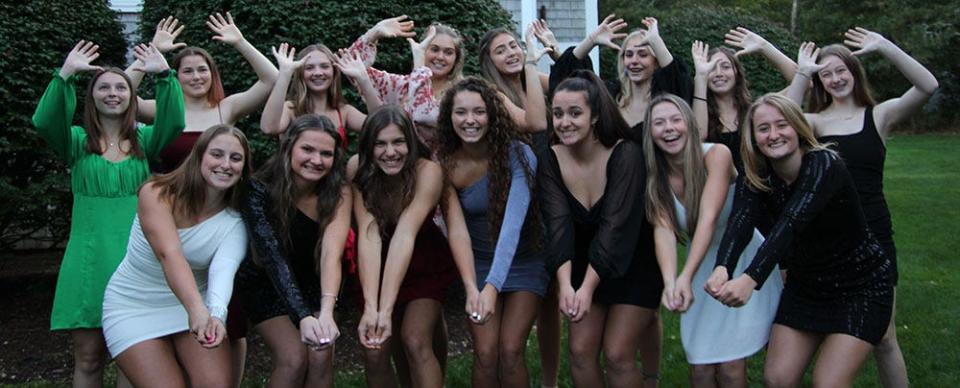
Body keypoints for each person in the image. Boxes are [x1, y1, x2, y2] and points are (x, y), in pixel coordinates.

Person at [706, 93, 894, 387]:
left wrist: (750, 279)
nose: (774, 135)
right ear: (754, 137)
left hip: (861, 287)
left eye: (782, 125)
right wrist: (723, 267)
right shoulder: (757, 173)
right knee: (777, 378)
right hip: (806, 287)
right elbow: (740, 221)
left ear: (797, 127)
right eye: (764, 128)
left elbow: (790, 223)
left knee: (828, 383)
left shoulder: (824, 165)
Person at [784, 29, 938, 387]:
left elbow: (927, 86)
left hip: (874, 234)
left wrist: (884, 45)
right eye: (827, 73)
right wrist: (803, 73)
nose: (836, 79)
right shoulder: (815, 123)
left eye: (842, 71)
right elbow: (784, 119)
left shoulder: (879, 116)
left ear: (854, 73)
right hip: (825, 238)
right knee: (827, 330)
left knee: (884, 338)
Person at [32, 40, 184, 387]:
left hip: (136, 260)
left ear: (132, 96)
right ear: (92, 97)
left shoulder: (146, 141)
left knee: (134, 358)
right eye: (104, 87)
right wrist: (65, 74)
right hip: (88, 260)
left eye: (121, 87)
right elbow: (44, 122)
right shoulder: (75, 142)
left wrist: (164, 75)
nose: (113, 93)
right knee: (88, 358)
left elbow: (174, 121)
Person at [642, 94, 782, 387]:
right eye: (659, 123)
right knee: (701, 368)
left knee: (731, 367)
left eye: (675, 119)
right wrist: (671, 281)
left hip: (740, 259)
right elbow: (663, 230)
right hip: (702, 264)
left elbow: (708, 218)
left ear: (689, 124)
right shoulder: (656, 176)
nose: (669, 128)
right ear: (649, 133)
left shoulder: (716, 155)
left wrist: (686, 275)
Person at [101, 124, 251, 388]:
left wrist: (215, 315)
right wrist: (197, 311)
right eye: (217, 154)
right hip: (135, 305)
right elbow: (169, 254)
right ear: (199, 157)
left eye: (235, 158)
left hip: (197, 306)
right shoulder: (157, 192)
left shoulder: (235, 221)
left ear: (243, 170)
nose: (225, 164)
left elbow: (224, 269)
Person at [539, 70, 663, 388]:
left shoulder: (626, 154)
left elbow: (615, 228)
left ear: (595, 116)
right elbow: (558, 224)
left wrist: (587, 288)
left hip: (633, 264)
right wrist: (566, 285)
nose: (564, 121)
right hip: (581, 263)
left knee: (618, 354)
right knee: (579, 351)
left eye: (575, 113)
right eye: (558, 113)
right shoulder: (551, 158)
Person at [436, 77, 550, 387]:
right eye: (461, 112)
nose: (469, 120)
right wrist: (473, 287)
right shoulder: (445, 164)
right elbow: (456, 230)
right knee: (486, 352)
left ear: (493, 115)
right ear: (449, 116)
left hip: (525, 261)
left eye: (479, 112)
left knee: (511, 350)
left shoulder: (519, 155)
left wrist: (492, 287)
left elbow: (512, 226)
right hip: (478, 265)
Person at [233, 115, 352, 387]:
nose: (316, 159)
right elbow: (271, 257)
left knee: (321, 352)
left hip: (314, 282)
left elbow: (331, 253)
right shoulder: (257, 189)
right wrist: (302, 316)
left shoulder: (338, 192)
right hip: (266, 284)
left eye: (326, 153)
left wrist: (325, 311)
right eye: (307, 149)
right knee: (294, 357)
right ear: (289, 148)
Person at [349, 105, 456, 388]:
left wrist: (386, 312)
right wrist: (373, 308)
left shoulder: (428, 171)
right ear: (368, 146)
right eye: (380, 144)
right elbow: (369, 234)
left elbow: (406, 232)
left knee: (415, 338)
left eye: (398, 142)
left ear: (410, 141)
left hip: (422, 260)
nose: (391, 152)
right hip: (375, 262)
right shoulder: (356, 169)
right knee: (375, 349)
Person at [126, 13, 277, 172]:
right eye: (188, 71)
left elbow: (272, 79)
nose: (196, 77)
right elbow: (119, 93)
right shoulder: (160, 110)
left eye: (202, 70)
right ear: (176, 76)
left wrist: (240, 42)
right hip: (171, 194)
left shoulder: (228, 108)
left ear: (212, 74)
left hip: (217, 194)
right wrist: (152, 52)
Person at [548, 15, 693, 137]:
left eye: (642, 54)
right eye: (628, 55)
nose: (634, 61)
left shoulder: (664, 97)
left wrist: (656, 42)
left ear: (655, 62)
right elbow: (567, 79)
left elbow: (679, 80)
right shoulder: (611, 94)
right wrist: (591, 40)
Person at [347, 16, 464, 148]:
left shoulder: (462, 94)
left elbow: (424, 115)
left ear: (456, 59)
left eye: (448, 52)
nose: (440, 57)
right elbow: (351, 66)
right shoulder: (403, 85)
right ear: (423, 49)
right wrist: (373, 34)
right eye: (434, 49)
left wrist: (419, 67)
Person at [690, 27, 796, 169]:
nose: (719, 73)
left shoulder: (756, 111)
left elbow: (803, 82)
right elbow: (698, 137)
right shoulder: (699, 111)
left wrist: (765, 47)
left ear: (737, 73)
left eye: (725, 66)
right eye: (712, 68)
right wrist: (701, 77)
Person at [259, 43, 380, 146]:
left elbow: (381, 126)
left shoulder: (343, 111)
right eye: (309, 67)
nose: (318, 72)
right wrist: (284, 74)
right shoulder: (290, 109)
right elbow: (269, 128)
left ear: (334, 72)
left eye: (324, 66)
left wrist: (363, 79)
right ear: (301, 74)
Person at [477, 23, 551, 133]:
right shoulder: (494, 95)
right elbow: (536, 125)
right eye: (500, 51)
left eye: (513, 46)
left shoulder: (532, 79)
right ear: (490, 62)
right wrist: (530, 64)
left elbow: (576, 86)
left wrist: (554, 49)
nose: (511, 53)